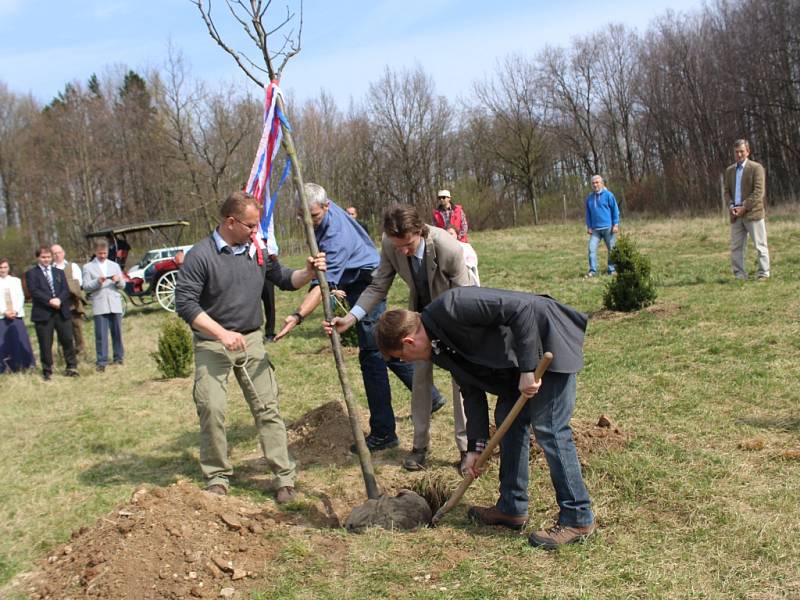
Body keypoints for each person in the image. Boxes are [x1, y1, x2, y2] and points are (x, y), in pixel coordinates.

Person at [375, 287, 596, 549]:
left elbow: (522, 309)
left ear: (408, 342)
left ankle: (578, 517)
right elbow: (471, 389)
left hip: (548, 337)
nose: (409, 363)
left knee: (549, 427)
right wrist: (475, 448)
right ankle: (511, 507)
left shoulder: (452, 306)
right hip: (520, 362)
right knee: (507, 420)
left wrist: (527, 369)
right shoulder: (437, 347)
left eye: (404, 358)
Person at [175, 190, 326, 503]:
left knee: (267, 408)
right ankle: (217, 477)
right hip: (212, 344)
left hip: (252, 342)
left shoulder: (256, 249)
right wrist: (221, 334)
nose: (255, 232)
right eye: (250, 226)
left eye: (256, 227)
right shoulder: (200, 255)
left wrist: (309, 272)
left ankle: (284, 477)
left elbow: (284, 278)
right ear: (230, 222)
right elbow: (185, 304)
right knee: (212, 407)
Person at [275, 183, 437, 454]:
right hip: (353, 276)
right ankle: (430, 397)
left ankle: (385, 432)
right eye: (302, 215)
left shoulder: (335, 234)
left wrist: (298, 315)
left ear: (326, 207)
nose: (308, 220)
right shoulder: (319, 208)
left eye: (313, 216)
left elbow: (320, 285)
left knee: (372, 355)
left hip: (366, 279)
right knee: (379, 348)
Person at [325, 204, 471, 473]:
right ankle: (419, 447)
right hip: (421, 319)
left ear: (420, 231)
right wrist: (352, 317)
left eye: (409, 245)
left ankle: (466, 449)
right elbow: (379, 284)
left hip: (455, 317)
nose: (403, 251)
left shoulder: (447, 247)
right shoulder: (391, 243)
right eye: (398, 245)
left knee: (461, 385)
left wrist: (455, 334)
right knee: (419, 381)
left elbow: (466, 296)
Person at [25, 246, 79, 380]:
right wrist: (50, 300)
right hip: (43, 313)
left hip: (61, 311)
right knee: (45, 343)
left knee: (67, 340)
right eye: (43, 257)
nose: (46, 259)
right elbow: (34, 292)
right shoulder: (31, 273)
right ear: (38, 258)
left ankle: (71, 367)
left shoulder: (59, 272)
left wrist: (59, 299)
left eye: (48, 257)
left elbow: (66, 289)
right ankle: (47, 371)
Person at [724, 139, 770, 280]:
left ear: (748, 152)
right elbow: (726, 191)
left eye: (741, 151)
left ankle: (763, 273)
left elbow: (758, 192)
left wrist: (744, 207)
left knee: (760, 245)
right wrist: (731, 206)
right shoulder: (730, 171)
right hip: (736, 215)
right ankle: (740, 275)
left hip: (753, 213)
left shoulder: (756, 168)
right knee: (736, 248)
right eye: (736, 152)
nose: (739, 154)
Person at [83, 239, 126, 372]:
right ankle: (102, 361)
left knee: (117, 332)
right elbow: (85, 287)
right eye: (100, 253)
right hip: (100, 304)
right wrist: (97, 282)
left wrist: (118, 281)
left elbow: (123, 285)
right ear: (95, 252)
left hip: (114, 303)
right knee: (101, 335)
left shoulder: (114, 265)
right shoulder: (87, 267)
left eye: (105, 253)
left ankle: (118, 357)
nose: (102, 256)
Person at [51, 244, 87, 359]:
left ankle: (81, 354)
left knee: (77, 330)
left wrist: (66, 289)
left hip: (73, 304)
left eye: (59, 252)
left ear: (63, 253)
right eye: (54, 253)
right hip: (58, 307)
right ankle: (64, 356)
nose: (57, 255)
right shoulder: (50, 269)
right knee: (62, 333)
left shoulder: (73, 266)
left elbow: (79, 284)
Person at [0, 258, 36, 373]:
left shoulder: (15, 280)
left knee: (19, 339)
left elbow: (20, 297)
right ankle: (4, 366)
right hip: (2, 316)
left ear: (8, 268)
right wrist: (4, 311)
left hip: (16, 315)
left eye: (5, 267)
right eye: (1, 268)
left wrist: (15, 310)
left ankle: (25, 365)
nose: (3, 270)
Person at [584, 175, 620, 277]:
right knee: (591, 249)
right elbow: (588, 214)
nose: (595, 185)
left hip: (608, 228)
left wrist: (615, 224)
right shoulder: (590, 198)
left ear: (602, 183)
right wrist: (589, 226)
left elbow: (615, 210)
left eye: (597, 182)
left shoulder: (609, 195)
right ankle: (593, 271)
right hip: (595, 230)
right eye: (593, 183)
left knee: (612, 250)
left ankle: (611, 270)